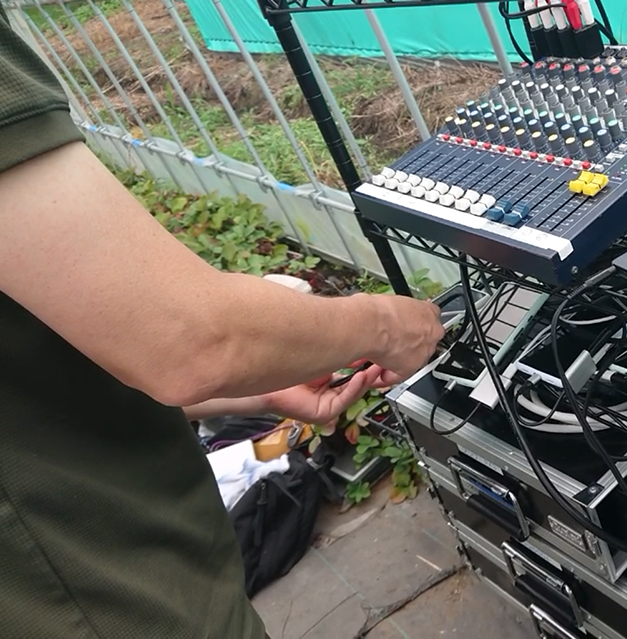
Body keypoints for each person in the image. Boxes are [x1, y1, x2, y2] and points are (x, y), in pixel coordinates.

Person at [0, 10, 445, 638]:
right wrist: (385, 324)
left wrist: (261, 393)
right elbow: (191, 338)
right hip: (108, 599)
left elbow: (50, 377)